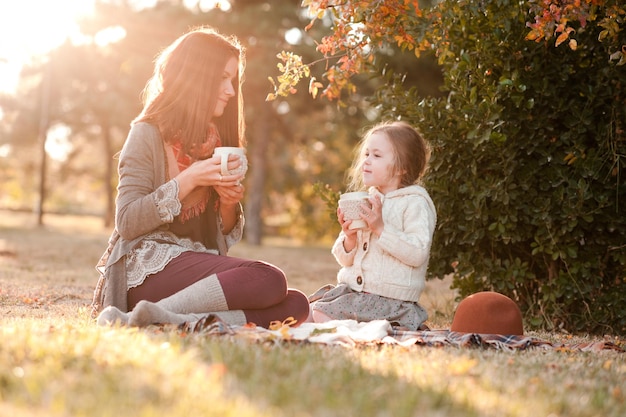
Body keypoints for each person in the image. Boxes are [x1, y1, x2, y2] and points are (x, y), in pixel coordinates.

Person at [91, 26, 309, 328]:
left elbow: (216, 239)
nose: (231, 91)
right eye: (222, 78)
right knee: (270, 279)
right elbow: (127, 222)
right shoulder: (146, 133)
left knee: (296, 304)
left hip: (191, 268)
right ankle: (145, 314)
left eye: (232, 80)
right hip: (146, 270)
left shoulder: (216, 141)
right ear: (197, 77)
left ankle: (165, 319)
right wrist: (189, 179)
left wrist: (229, 205)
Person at [309, 121, 436, 330]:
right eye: (366, 154)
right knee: (305, 310)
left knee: (320, 314)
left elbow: (418, 253)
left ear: (402, 168)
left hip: (390, 301)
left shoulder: (415, 203)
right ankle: (366, 329)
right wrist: (349, 238)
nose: (366, 161)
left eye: (376, 156)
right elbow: (344, 259)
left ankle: (369, 331)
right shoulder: (368, 200)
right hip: (355, 294)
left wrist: (380, 228)